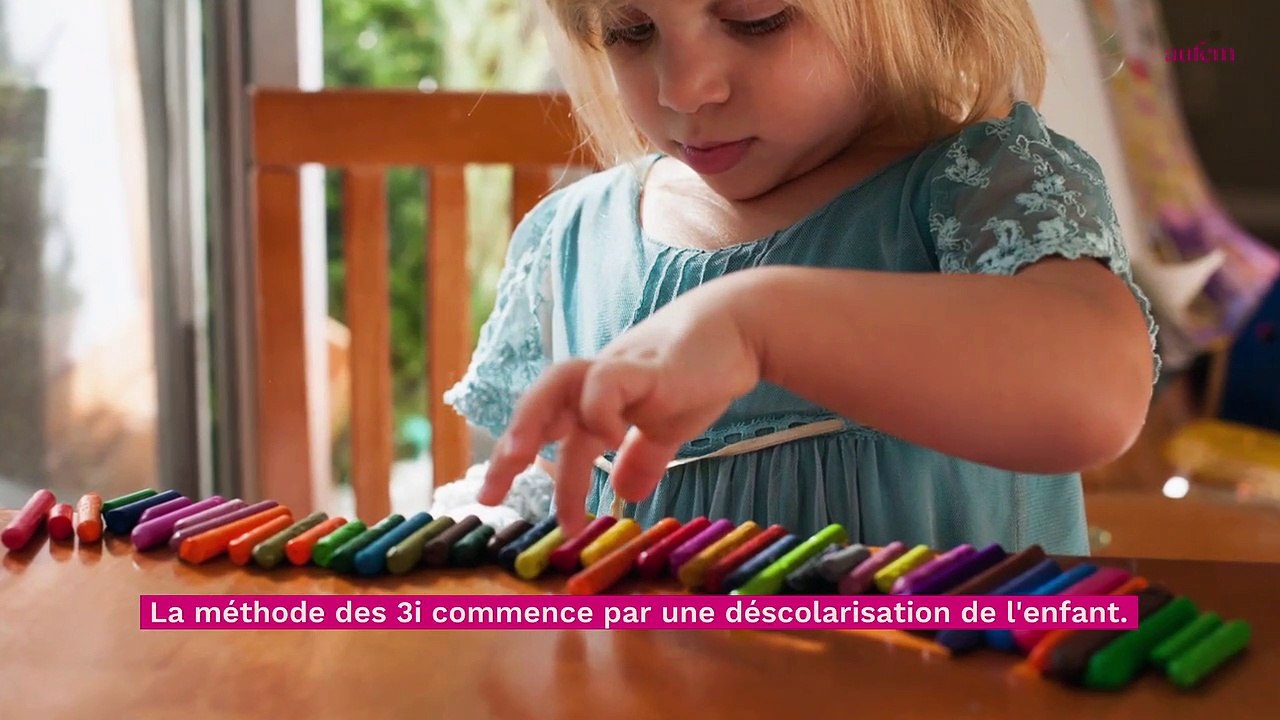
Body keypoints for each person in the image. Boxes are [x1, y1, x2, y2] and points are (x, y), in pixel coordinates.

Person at [442, 0, 1160, 555]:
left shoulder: (979, 188)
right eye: (631, 30)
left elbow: (1096, 393)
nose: (683, 89)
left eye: (755, 17)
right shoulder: (572, 238)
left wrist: (759, 323)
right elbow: (554, 491)